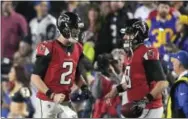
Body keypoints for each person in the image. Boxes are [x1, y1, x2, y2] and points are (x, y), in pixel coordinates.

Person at [105, 19, 168, 118]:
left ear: (138, 35)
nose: (125, 37)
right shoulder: (130, 55)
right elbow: (132, 82)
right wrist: (115, 91)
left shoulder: (147, 53)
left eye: (128, 33)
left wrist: (144, 101)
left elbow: (162, 83)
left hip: (150, 108)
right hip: (136, 107)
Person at [30, 12, 89, 118]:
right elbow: (35, 78)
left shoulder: (78, 48)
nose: (78, 32)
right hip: (47, 101)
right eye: (75, 29)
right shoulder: (49, 47)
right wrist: (52, 95)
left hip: (65, 101)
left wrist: (84, 88)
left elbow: (75, 75)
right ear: (65, 29)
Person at [166, 50, 188, 118]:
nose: (172, 63)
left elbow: (184, 108)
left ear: (181, 65)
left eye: (175, 61)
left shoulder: (182, 84)